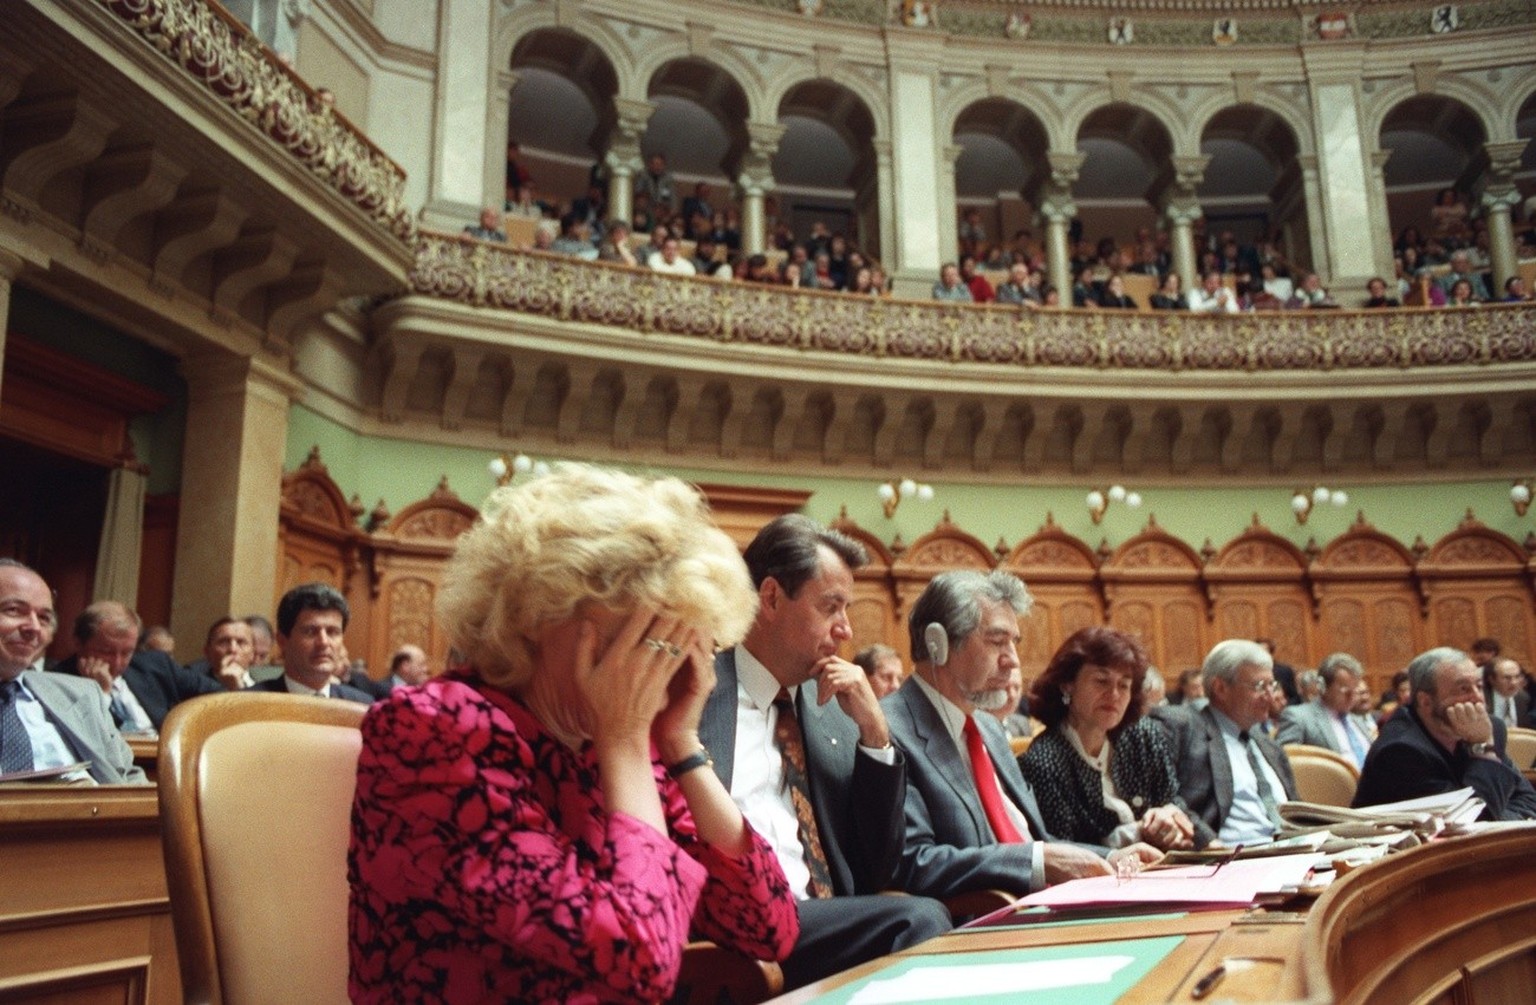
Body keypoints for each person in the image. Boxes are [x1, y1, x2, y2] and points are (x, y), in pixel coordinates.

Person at [348, 465, 798, 1001]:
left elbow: (769, 924)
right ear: (540, 613)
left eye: (680, 651)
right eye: (645, 646)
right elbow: (642, 957)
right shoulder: (436, 732)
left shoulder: (609, 743)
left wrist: (681, 746)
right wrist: (628, 741)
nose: (663, 678)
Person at [697, 515, 950, 990]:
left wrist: (875, 734)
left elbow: (876, 866)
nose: (845, 630)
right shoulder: (697, 697)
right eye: (830, 608)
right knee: (917, 922)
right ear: (770, 597)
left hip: (823, 924)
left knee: (922, 923)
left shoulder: (829, 711)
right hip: (736, 934)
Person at [884, 572, 1159, 901]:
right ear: (937, 644)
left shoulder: (987, 728)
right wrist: (1036, 861)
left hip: (1044, 903)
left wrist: (1109, 856)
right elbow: (914, 863)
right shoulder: (890, 729)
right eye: (997, 642)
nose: (1012, 660)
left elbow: (1035, 839)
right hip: (983, 923)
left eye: (1014, 643)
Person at [1019, 626, 1195, 851]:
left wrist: (1170, 815)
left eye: (1124, 685)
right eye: (1102, 681)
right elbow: (1062, 851)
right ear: (1067, 684)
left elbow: (1171, 798)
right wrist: (1137, 834)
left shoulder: (1142, 735)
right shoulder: (1042, 762)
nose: (1114, 695)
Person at [0, 559, 146, 784]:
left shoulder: (83, 693)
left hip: (97, 815)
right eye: (14, 610)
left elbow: (128, 776)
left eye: (44, 617)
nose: (34, 628)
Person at [1354, 647, 1536, 820]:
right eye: (1464, 689)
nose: (1477, 698)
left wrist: (1502, 817)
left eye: (1479, 687)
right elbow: (1474, 821)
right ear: (1425, 701)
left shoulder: (1489, 728)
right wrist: (1483, 749)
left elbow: (1529, 801)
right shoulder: (1400, 749)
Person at [1150, 639, 1298, 847]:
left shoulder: (1268, 745)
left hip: (1294, 853)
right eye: (1259, 686)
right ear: (1220, 688)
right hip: (1233, 858)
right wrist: (1207, 842)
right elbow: (1163, 796)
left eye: (1272, 685)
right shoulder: (1183, 728)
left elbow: (1297, 811)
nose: (1270, 696)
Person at [51, 600, 234, 732]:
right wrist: (101, 693)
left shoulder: (156, 665)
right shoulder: (55, 682)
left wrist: (183, 726)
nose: (118, 662)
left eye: (127, 652)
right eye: (106, 651)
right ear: (78, 643)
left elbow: (220, 696)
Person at [249, 584, 373, 703]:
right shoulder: (249, 705)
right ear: (282, 641)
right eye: (310, 632)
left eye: (332, 632)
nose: (324, 642)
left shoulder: (362, 706)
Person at [1275, 652, 1373, 768]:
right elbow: (1282, 763)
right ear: (1323, 687)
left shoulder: (1357, 720)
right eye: (1346, 691)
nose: (1352, 698)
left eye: (1355, 691)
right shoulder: (1299, 717)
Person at [1486, 657, 1532, 730]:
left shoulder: (1523, 698)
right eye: (1507, 678)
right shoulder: (1482, 699)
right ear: (1492, 679)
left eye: (1517, 677)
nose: (1514, 683)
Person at [992, 665, 1033, 739]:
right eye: (1004, 688)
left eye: (1017, 688)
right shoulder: (975, 727)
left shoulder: (1022, 723)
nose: (1012, 695)